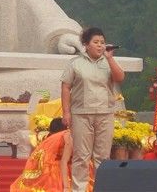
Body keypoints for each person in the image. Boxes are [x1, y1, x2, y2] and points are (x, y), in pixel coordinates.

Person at [60, 27, 125, 192]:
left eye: (102, 42)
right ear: (86, 44)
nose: (100, 45)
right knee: (81, 156)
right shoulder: (75, 63)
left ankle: (103, 188)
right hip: (81, 114)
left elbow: (120, 78)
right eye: (95, 42)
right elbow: (66, 87)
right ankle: (79, 189)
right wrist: (66, 112)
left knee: (103, 157)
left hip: (105, 113)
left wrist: (110, 59)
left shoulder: (107, 62)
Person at [10, 117, 73, 192]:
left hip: (45, 170)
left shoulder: (44, 138)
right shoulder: (67, 136)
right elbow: (64, 161)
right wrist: (66, 187)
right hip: (60, 171)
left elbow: (32, 156)